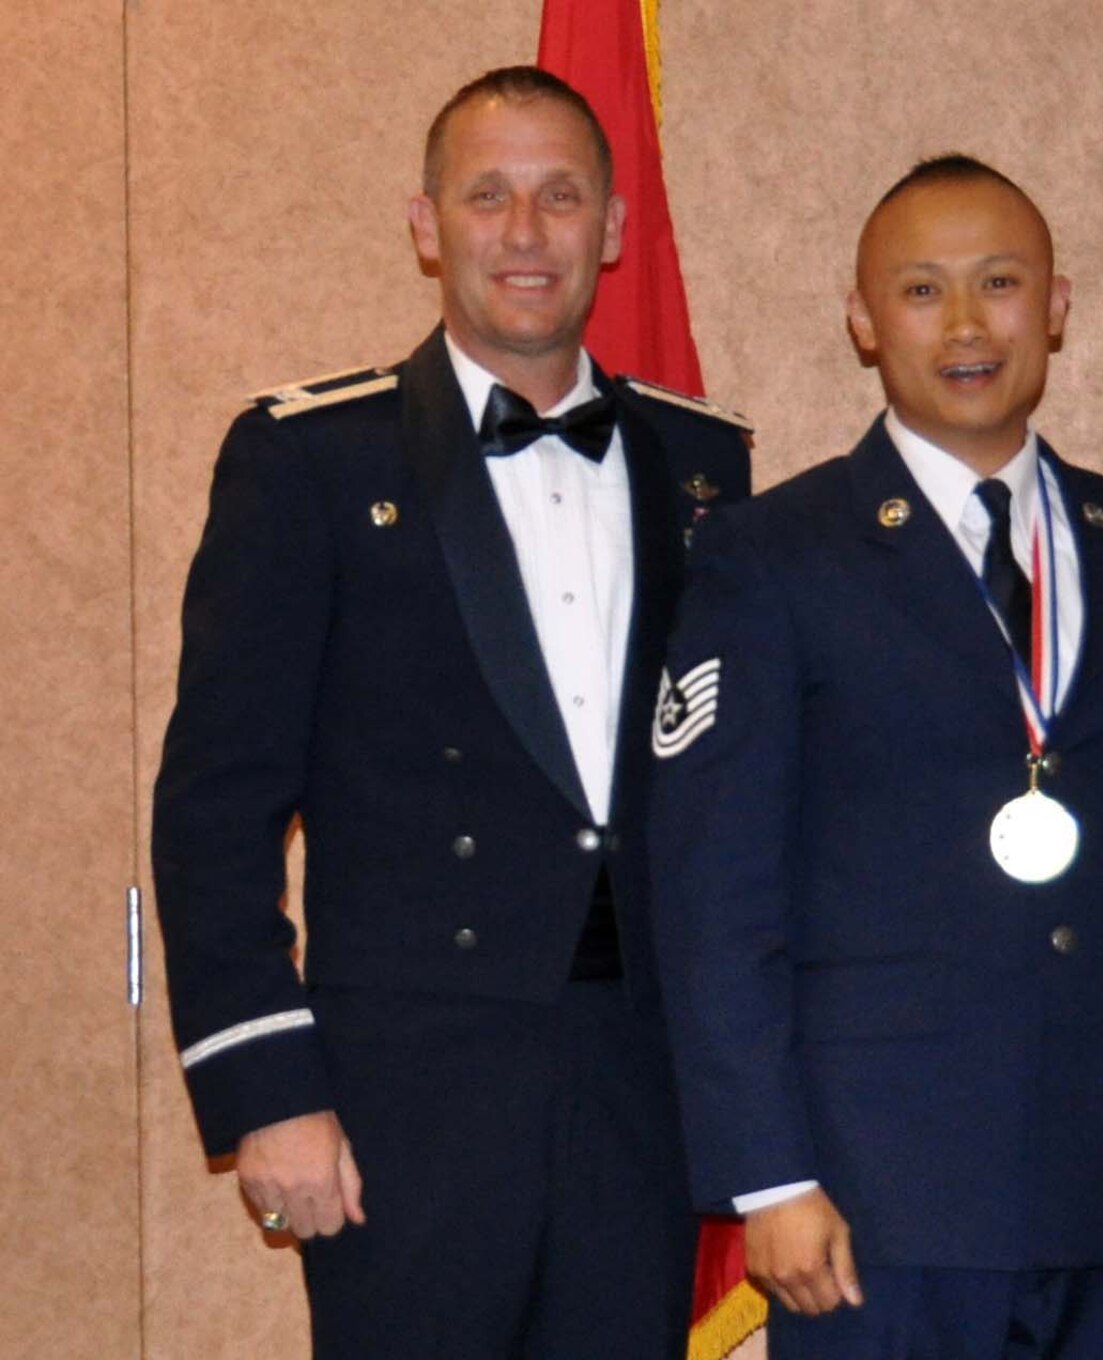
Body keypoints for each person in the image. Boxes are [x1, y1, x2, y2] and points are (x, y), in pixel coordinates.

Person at [648, 156, 1103, 1359]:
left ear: (1057, 306)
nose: (967, 324)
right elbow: (717, 895)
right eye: (922, 291)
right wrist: (766, 1177)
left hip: (1102, 1177)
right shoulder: (771, 556)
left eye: (1000, 283)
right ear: (864, 321)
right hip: (873, 1201)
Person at [151, 66, 749, 1357]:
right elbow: (218, 801)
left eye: (559, 197)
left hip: (637, 1084)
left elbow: (730, 795)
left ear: (616, 227)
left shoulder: (707, 465)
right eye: (489, 197)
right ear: (427, 224)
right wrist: (270, 1086)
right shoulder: (312, 459)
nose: (525, 234)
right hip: (399, 1092)